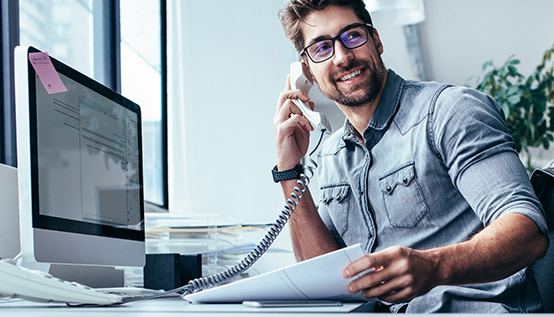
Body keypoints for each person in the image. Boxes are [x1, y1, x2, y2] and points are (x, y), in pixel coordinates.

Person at [273, 0, 549, 313]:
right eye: (322, 48)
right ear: (306, 71)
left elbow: (527, 231)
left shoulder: (449, 111)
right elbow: (323, 277)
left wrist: (434, 266)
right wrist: (289, 170)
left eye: (352, 36)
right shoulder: (331, 156)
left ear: (376, 40)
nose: (343, 57)